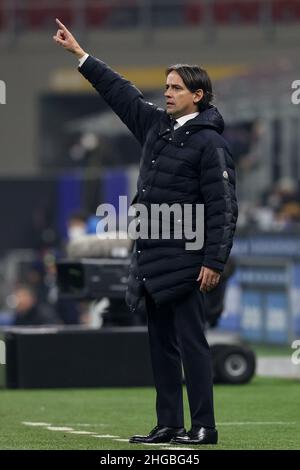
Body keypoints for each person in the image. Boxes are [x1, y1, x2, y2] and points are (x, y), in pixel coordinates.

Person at [53, 19, 238, 446]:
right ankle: (169, 424)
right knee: (161, 349)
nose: (167, 92)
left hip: (189, 260)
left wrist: (214, 261)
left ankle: (204, 427)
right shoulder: (155, 127)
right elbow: (120, 92)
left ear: (199, 96)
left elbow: (223, 207)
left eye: (175, 87)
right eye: (166, 86)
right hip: (152, 257)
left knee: (193, 345)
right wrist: (81, 56)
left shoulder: (211, 145)